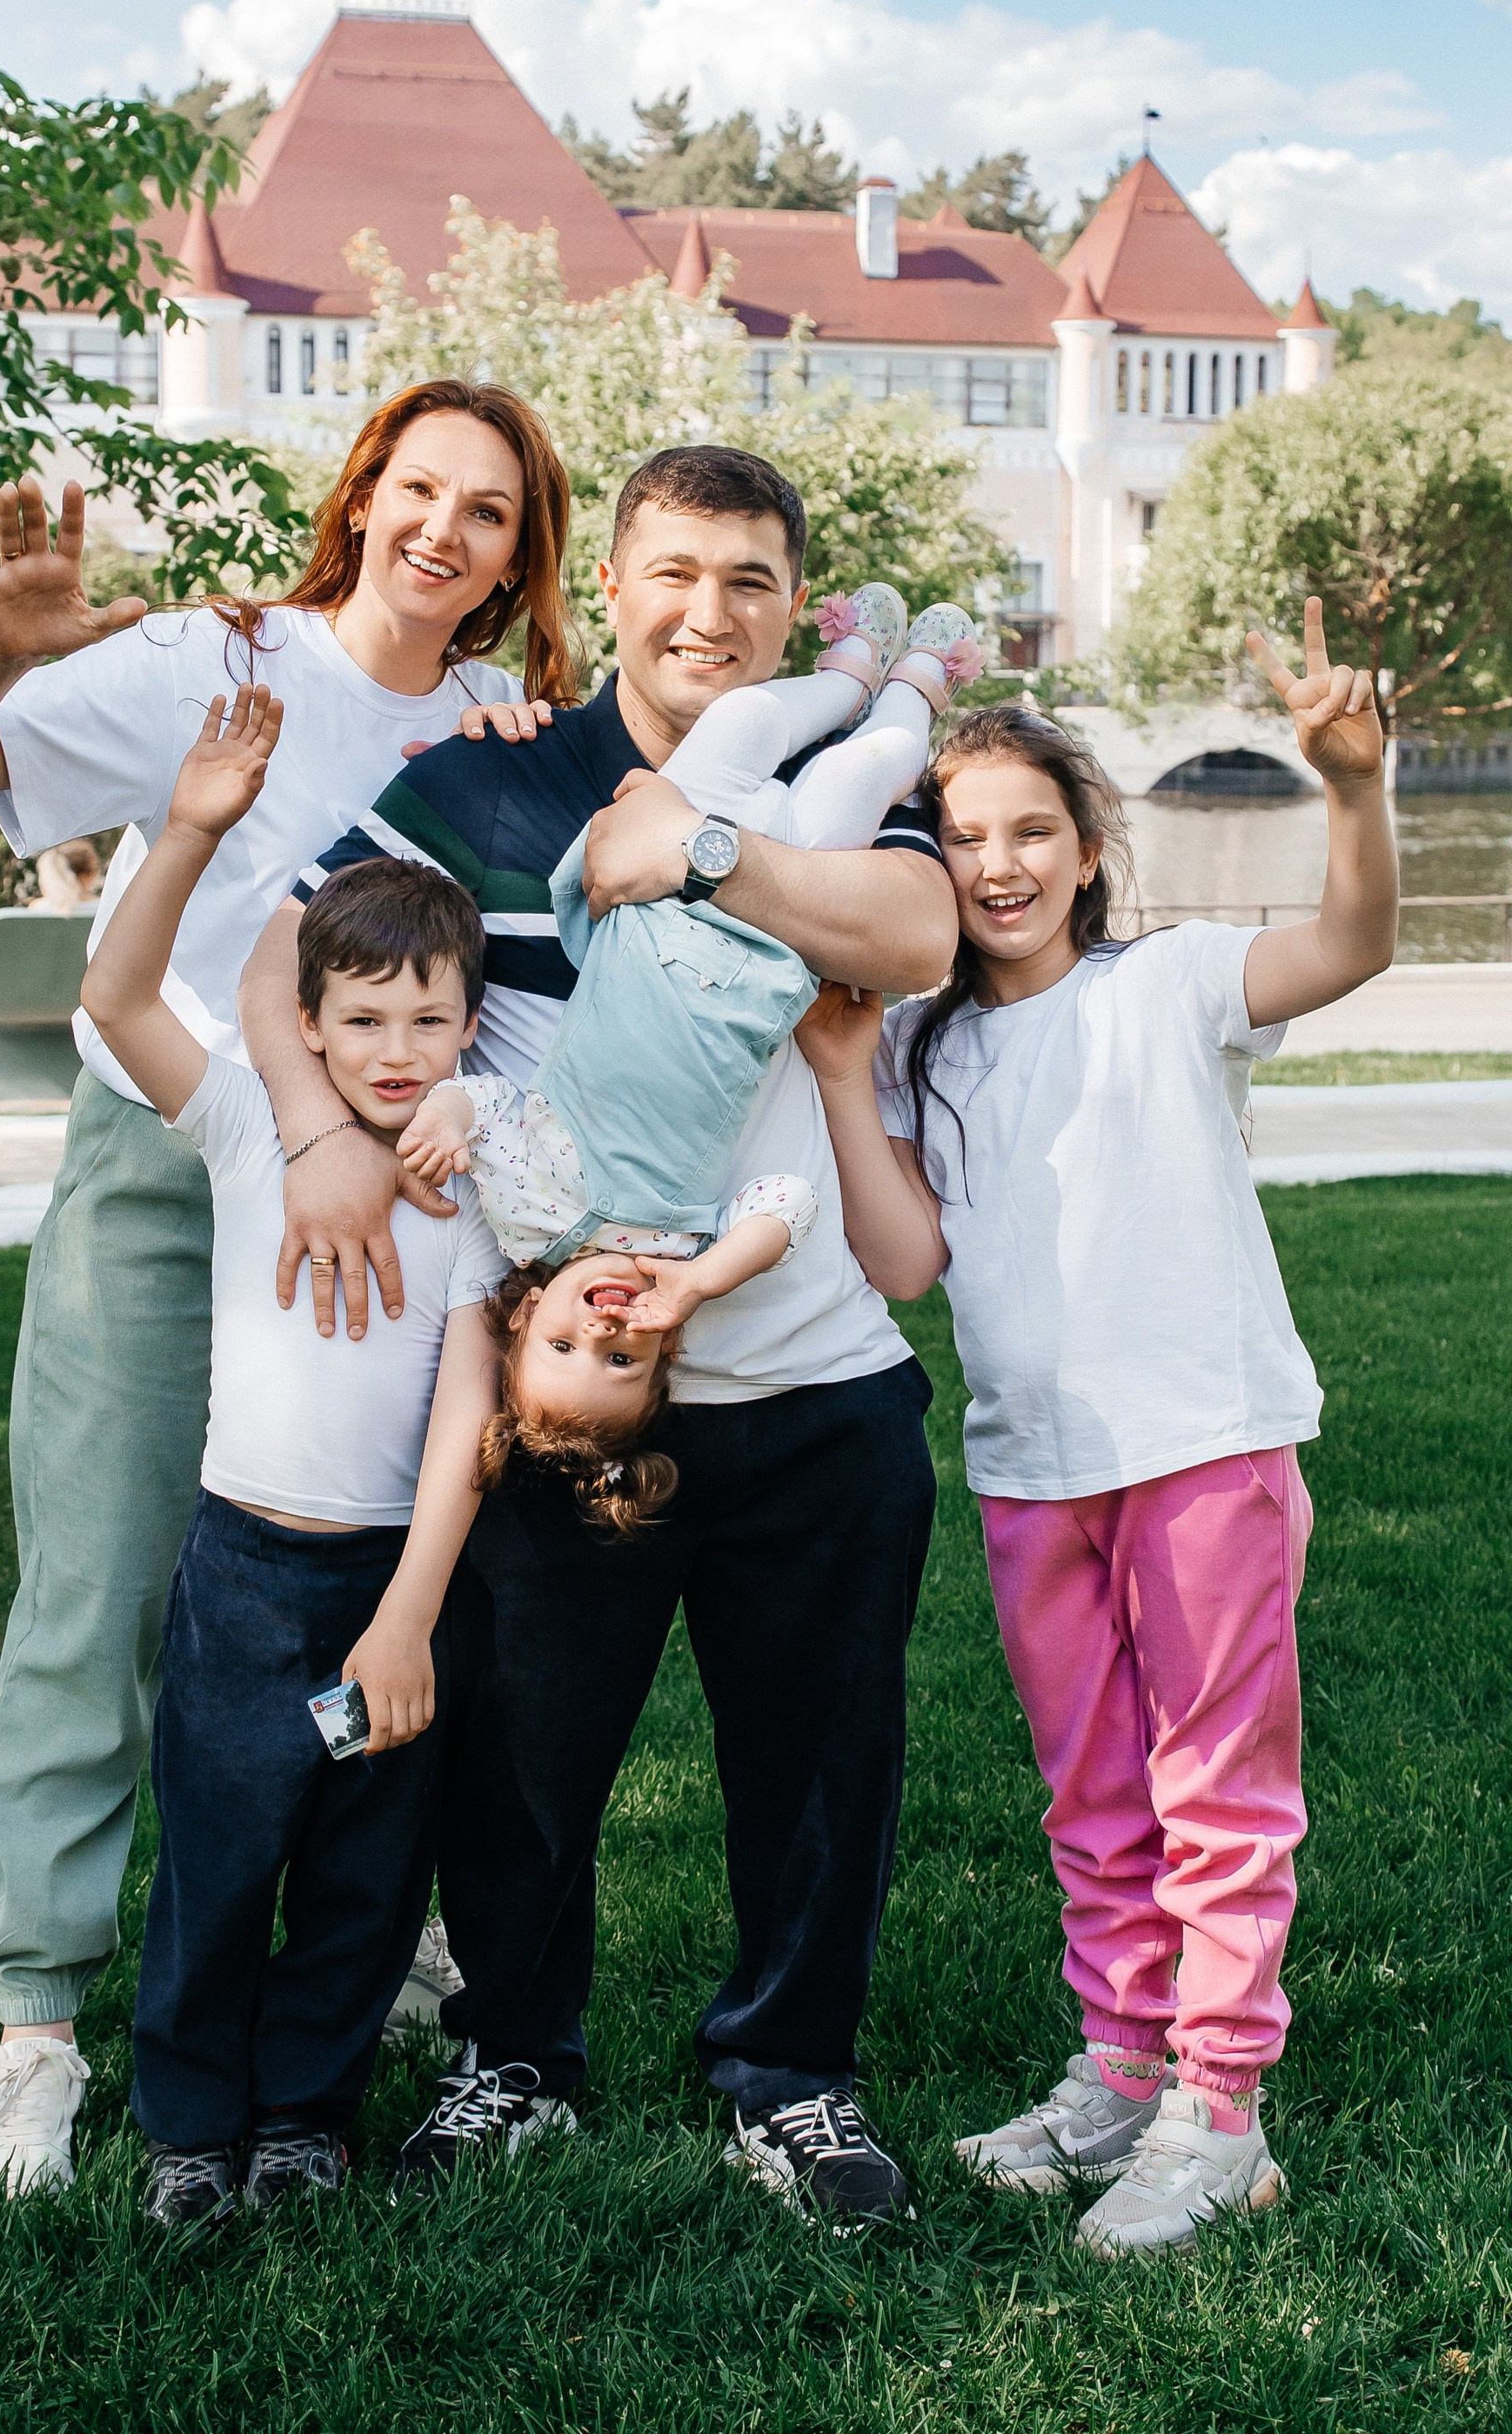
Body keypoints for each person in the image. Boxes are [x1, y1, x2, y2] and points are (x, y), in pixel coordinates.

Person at [239, 445, 960, 2227]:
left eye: (751, 582)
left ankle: (789, 2077)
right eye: (675, 571)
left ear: (797, 608)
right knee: (523, 1755)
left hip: (811, 1382)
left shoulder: (824, 776)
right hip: (567, 1398)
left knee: (820, 1754)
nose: (709, 611)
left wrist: (707, 850)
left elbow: (920, 926)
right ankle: (512, 2059)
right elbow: (281, 957)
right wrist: (323, 1131)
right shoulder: (501, 784)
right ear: (612, 585)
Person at [0, 379, 579, 2195]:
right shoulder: (219, 657)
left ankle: (383, 1946)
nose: (443, 529)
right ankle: (38, 2015)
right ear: (363, 496)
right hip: (169, 1165)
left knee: (376, 1570)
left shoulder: (515, 738)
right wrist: (0, 655)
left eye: (487, 511)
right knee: (100, 1583)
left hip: (393, 1225)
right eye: (418, 487)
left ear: (520, 555)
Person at [796, 600, 1398, 2258]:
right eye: (960, 837)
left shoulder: (1174, 986)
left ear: (1084, 851)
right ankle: (1124, 2070)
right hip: (1030, 1467)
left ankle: (1222, 2109)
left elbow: (1347, 950)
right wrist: (848, 1080)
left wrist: (1354, 789)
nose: (994, 866)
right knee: (1093, 1792)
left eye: (1029, 833)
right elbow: (908, 1260)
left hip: (1202, 1444)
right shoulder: (918, 1049)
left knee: (1215, 1782)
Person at [74, 683, 505, 2228]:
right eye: (365, 1019)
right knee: (223, 1857)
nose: (398, 1050)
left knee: (364, 1876)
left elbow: (473, 1408)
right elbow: (122, 999)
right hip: (243, 1571)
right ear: (309, 1025)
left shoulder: (477, 1183)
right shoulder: (260, 1129)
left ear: (473, 1024)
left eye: (431, 1019)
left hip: (396, 1576)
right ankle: (192, 2122)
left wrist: (407, 1616)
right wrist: (188, 832)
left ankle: (305, 2115)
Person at [397, 585, 980, 1473]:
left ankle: (849, 675)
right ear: (664, 1347)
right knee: (867, 771)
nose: (600, 1328)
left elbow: (485, 1102)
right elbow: (785, 1203)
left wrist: (443, 1118)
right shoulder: (692, 1248)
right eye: (621, 1357)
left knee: (745, 717)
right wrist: (699, 1282)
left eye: (564, 1347)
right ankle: (919, 687)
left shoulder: (525, 1219)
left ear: (524, 1316)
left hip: (657, 907)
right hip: (769, 942)